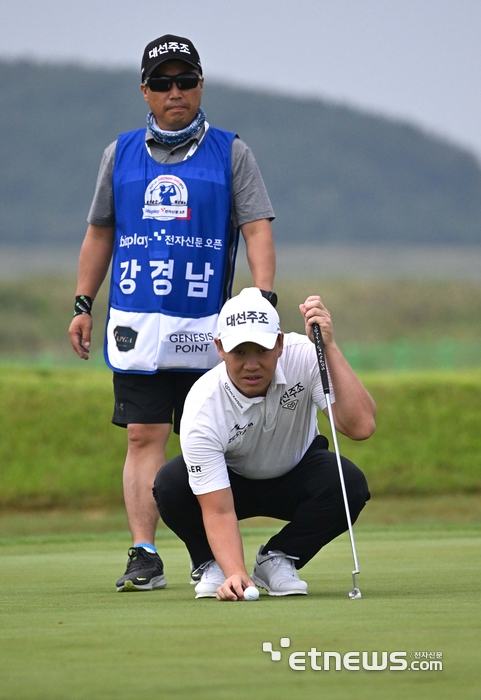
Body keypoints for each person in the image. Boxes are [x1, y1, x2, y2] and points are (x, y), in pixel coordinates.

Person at [68, 35, 276, 592]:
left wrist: (263, 298)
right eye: (162, 83)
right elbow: (99, 233)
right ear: (145, 91)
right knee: (142, 436)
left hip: (209, 328)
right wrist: (83, 303)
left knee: (206, 440)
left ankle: (210, 552)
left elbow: (256, 228)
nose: (175, 92)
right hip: (138, 327)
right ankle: (143, 553)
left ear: (201, 85)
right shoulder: (120, 153)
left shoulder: (232, 151)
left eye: (185, 81)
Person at [153, 288, 376, 600]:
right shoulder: (204, 405)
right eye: (239, 352)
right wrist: (235, 572)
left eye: (261, 350)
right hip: (232, 482)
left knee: (347, 482)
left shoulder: (306, 355)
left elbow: (361, 426)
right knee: (171, 484)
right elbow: (217, 511)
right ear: (219, 348)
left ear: (280, 343)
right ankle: (214, 564)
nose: (252, 364)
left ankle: (278, 559)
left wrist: (329, 348)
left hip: (297, 472)